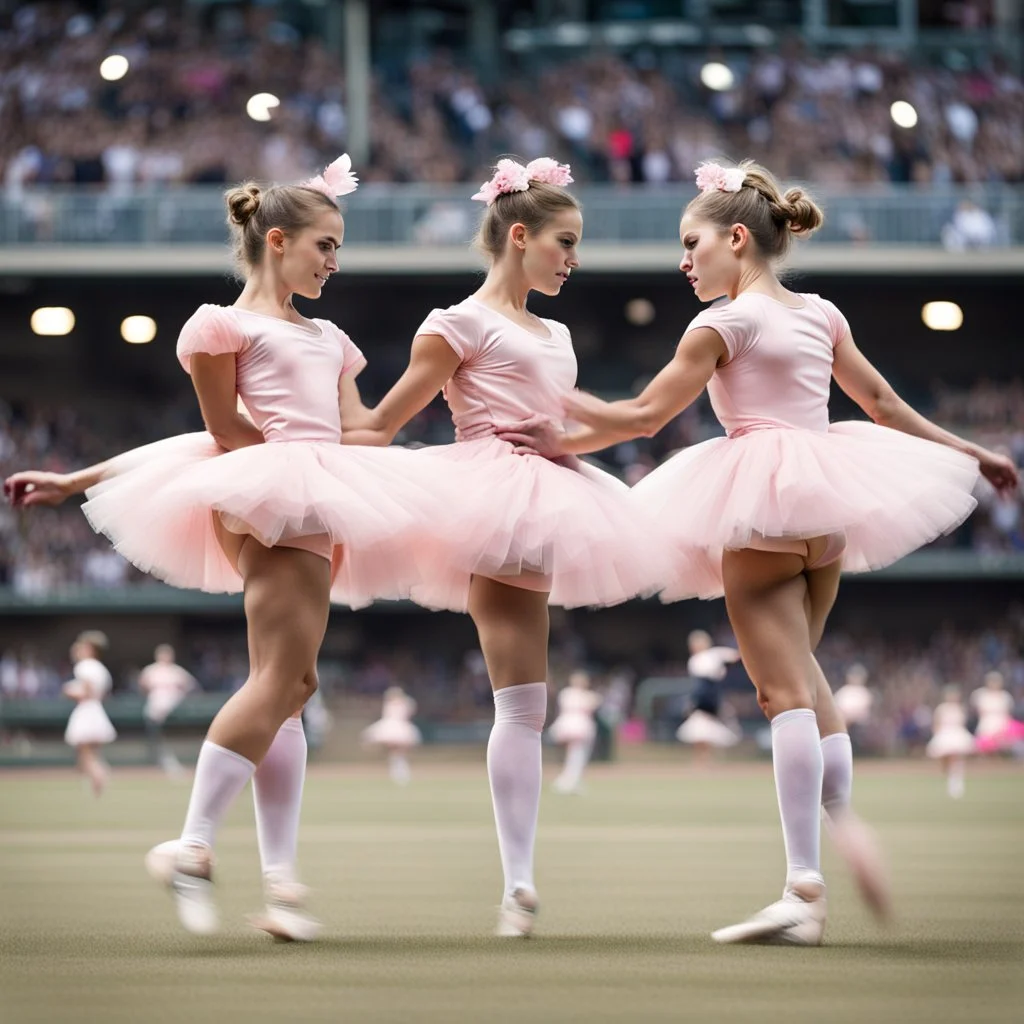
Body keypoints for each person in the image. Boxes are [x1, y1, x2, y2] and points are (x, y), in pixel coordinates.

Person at [498, 159, 1018, 945]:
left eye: (691, 243)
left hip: (760, 504)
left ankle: (802, 887)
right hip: (828, 505)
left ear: (736, 238)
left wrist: (558, 422)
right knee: (808, 685)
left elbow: (642, 416)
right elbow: (880, 404)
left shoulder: (723, 324)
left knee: (781, 695)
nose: (684, 261)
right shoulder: (820, 313)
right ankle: (838, 826)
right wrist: (974, 452)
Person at [4, 154, 463, 942]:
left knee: (292, 683)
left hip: (313, 485)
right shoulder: (222, 325)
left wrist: (452, 383)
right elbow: (216, 435)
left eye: (338, 247)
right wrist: (297, 473)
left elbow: (366, 427)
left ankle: (280, 882)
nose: (334, 260)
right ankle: (192, 844)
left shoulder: (330, 338)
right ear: (277, 241)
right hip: (273, 493)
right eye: (325, 245)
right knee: (285, 678)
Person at [335, 157, 665, 936]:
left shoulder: (555, 331)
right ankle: (516, 881)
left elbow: (589, 416)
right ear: (520, 236)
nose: (573, 260)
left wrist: (588, 433)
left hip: (554, 488)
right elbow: (384, 425)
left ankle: (519, 883)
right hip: (486, 490)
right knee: (518, 703)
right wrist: (291, 434)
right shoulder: (456, 323)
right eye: (565, 242)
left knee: (529, 702)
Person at [62, 631, 117, 796]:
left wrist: (68, 691)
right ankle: (97, 783)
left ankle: (100, 776)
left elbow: (86, 692)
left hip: (87, 709)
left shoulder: (85, 666)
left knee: (86, 754)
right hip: (96, 709)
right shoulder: (101, 668)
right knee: (92, 754)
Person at [676, 630, 741, 766]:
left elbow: (734, 655)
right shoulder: (696, 659)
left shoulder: (712, 654)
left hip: (710, 696)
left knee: (707, 728)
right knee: (701, 729)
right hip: (703, 696)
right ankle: (703, 758)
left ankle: (706, 758)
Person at [138, 644, 197, 777]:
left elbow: (191, 686)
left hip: (174, 711)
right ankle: (158, 759)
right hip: (154, 713)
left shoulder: (177, 671)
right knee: (155, 729)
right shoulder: (151, 670)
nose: (165, 657)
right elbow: (142, 685)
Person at [549, 669, 603, 794]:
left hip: (577, 724)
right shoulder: (571, 694)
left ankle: (572, 780)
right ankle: (568, 781)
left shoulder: (574, 694)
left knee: (577, 754)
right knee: (576, 754)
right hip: (577, 725)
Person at [362, 686, 421, 785]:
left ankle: (401, 772)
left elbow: (409, 712)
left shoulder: (404, 703)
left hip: (399, 727)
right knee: (395, 753)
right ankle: (397, 771)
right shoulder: (390, 704)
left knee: (399, 753)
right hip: (391, 726)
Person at [926, 685, 975, 799]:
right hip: (945, 733)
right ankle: (950, 776)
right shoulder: (942, 708)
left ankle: (956, 779)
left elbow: (962, 723)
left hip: (957, 733)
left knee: (956, 757)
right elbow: (937, 723)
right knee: (946, 759)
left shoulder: (960, 708)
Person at [971, 671, 1024, 755]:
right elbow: (976, 711)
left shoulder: (1005, 696)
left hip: (1003, 723)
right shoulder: (980, 694)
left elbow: (1008, 712)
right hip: (986, 723)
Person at [832, 663, 874, 751]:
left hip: (859, 723)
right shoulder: (844, 691)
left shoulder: (864, 692)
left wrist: (850, 717)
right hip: (844, 721)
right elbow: (836, 707)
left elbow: (863, 711)